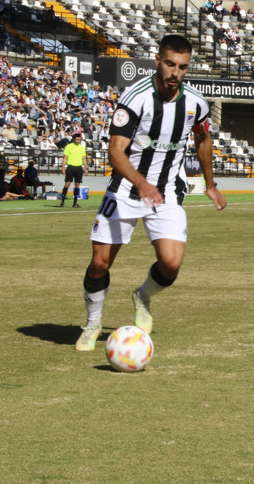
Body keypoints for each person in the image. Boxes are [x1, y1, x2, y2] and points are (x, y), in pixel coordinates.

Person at [75, 34, 227, 351]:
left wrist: (210, 185)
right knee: (100, 263)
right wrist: (142, 183)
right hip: (126, 191)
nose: (176, 72)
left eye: (183, 67)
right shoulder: (135, 98)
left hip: (168, 192)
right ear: (158, 60)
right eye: (170, 64)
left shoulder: (196, 103)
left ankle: (142, 297)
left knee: (171, 264)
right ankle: (92, 324)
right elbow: (115, 152)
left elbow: (203, 140)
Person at [59, 133, 89, 208]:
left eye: (79, 139)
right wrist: (63, 168)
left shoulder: (82, 148)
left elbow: (84, 158)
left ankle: (75, 202)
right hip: (70, 167)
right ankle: (62, 201)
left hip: (79, 167)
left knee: (77, 185)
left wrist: (86, 168)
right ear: (73, 139)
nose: (78, 141)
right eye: (77, 139)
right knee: (67, 184)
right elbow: (65, 158)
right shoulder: (69, 147)